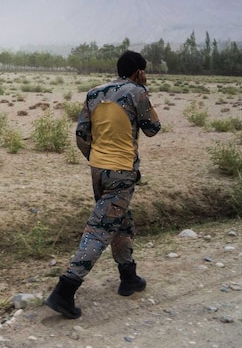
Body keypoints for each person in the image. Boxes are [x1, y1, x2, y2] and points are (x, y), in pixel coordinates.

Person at [45, 50, 161, 319]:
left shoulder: (95, 93)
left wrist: (97, 161)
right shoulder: (137, 91)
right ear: (139, 72)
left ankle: (128, 277)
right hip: (121, 170)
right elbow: (153, 128)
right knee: (99, 228)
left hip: (98, 171)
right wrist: (143, 89)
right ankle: (65, 290)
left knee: (119, 221)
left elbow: (82, 134)